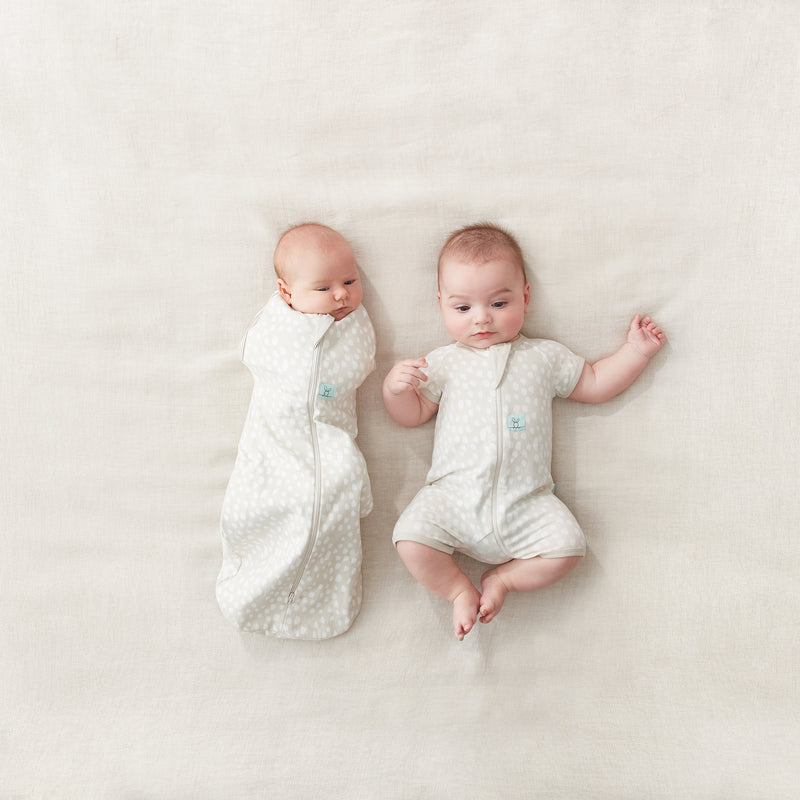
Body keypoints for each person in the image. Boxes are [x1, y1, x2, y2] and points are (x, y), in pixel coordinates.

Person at [383, 223, 666, 640]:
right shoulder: (443, 363)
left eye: (498, 303)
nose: (482, 318)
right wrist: (396, 389)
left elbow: (592, 382)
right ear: (441, 303)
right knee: (409, 539)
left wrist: (635, 353)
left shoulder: (543, 356)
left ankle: (503, 580)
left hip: (527, 501)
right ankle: (458, 588)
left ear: (526, 297)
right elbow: (413, 414)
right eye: (462, 309)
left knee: (569, 548)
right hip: (453, 497)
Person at [217, 223, 375, 640]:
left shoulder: (355, 328)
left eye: (349, 281)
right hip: (275, 448)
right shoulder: (277, 328)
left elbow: (359, 366)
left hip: (332, 446)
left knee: (333, 493)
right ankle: (254, 588)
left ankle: (324, 598)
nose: (341, 295)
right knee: (273, 508)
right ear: (287, 294)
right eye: (323, 289)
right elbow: (253, 351)